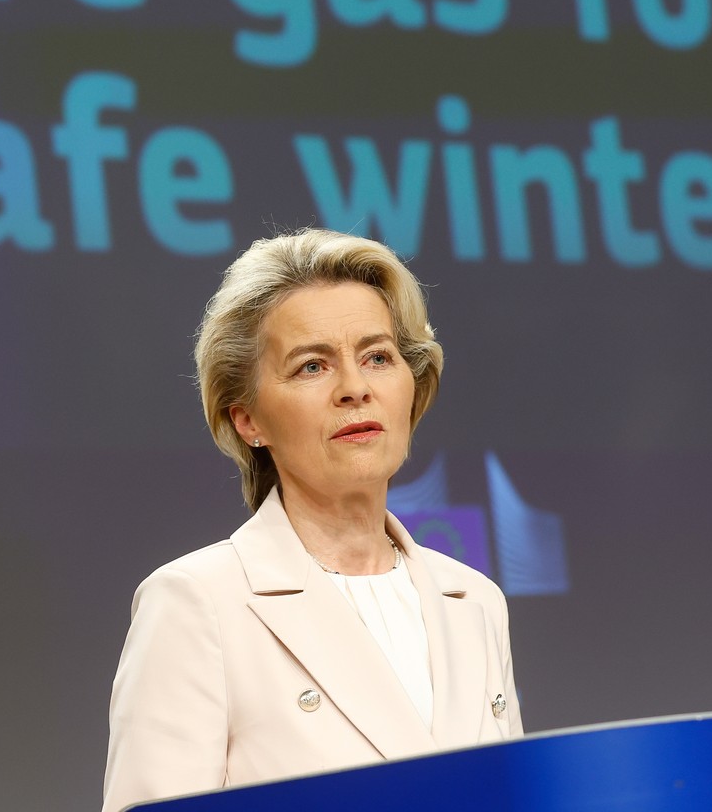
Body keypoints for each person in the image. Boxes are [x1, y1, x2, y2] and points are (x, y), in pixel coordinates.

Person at [102, 229, 522, 812]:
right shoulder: (198, 603)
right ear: (248, 419)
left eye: (378, 357)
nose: (355, 389)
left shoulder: (475, 600)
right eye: (311, 367)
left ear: (411, 385)